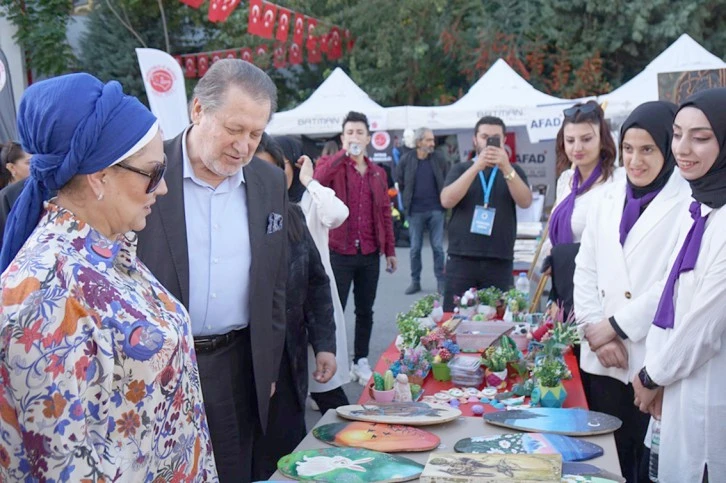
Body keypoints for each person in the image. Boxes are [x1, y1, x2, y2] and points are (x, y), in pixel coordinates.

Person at [0, 73, 217, 481]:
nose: (164, 188)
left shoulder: (108, 252)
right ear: (100, 177)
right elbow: (63, 467)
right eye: (153, 173)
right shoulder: (47, 295)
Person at [135, 59, 287, 483]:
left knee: (234, 469)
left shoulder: (268, 182)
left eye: (255, 134)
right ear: (198, 110)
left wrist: (268, 367)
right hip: (159, 363)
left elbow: (274, 284)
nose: (244, 146)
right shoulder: (145, 170)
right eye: (234, 129)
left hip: (239, 362)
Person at [587, 88, 726, 483]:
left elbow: (702, 328)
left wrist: (651, 377)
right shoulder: (700, 208)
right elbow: (673, 295)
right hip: (667, 384)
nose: (684, 148)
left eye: (701, 138)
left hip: (697, 390)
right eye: (678, 134)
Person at [574, 101, 690, 482]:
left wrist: (616, 326)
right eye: (628, 148)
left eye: (647, 149)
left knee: (642, 466)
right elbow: (585, 266)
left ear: (667, 148)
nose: (635, 160)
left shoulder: (689, 202)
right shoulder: (606, 195)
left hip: (647, 358)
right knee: (601, 459)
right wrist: (595, 329)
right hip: (601, 356)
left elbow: (674, 282)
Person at [252, 134, 337, 479]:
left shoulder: (294, 216)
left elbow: (316, 283)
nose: (266, 180)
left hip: (290, 360)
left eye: (274, 170)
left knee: (289, 453)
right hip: (245, 364)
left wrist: (325, 346)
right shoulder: (230, 222)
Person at [314, 111, 397, 386]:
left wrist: (390, 250)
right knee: (333, 311)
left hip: (369, 252)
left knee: (365, 310)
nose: (355, 137)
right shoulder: (334, 164)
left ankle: (360, 360)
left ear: (368, 138)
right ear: (342, 137)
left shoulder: (377, 172)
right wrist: (342, 155)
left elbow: (385, 212)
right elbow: (318, 178)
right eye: (349, 133)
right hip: (340, 251)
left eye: (359, 133)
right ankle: (330, 365)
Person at [276, 135, 351, 413]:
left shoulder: (309, 198)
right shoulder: (260, 200)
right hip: (280, 306)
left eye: (280, 165)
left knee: (327, 387)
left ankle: (349, 441)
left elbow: (337, 214)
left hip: (314, 301)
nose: (272, 173)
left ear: (295, 165)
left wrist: (310, 180)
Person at [439, 116, 532, 311]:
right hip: (462, 258)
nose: (489, 142)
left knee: (497, 321)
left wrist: (505, 167)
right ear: (475, 140)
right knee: (455, 317)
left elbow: (525, 201)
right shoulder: (461, 168)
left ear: (504, 140)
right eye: (484, 136)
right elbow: (447, 200)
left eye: (495, 137)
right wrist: (476, 167)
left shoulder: (513, 171)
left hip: (499, 259)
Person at [543, 100, 620, 314]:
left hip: (599, 290)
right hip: (564, 287)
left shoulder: (617, 182)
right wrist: (551, 259)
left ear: (602, 140)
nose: (577, 148)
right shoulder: (566, 180)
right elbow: (554, 233)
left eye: (586, 139)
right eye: (570, 140)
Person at [396, 127, 448, 295]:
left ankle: (441, 281)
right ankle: (415, 281)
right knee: (415, 248)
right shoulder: (407, 159)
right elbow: (400, 181)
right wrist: (406, 203)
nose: (432, 143)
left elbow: (447, 179)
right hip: (415, 211)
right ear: (419, 142)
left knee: (438, 248)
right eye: (428, 140)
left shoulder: (439, 158)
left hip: (436, 210)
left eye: (432, 140)